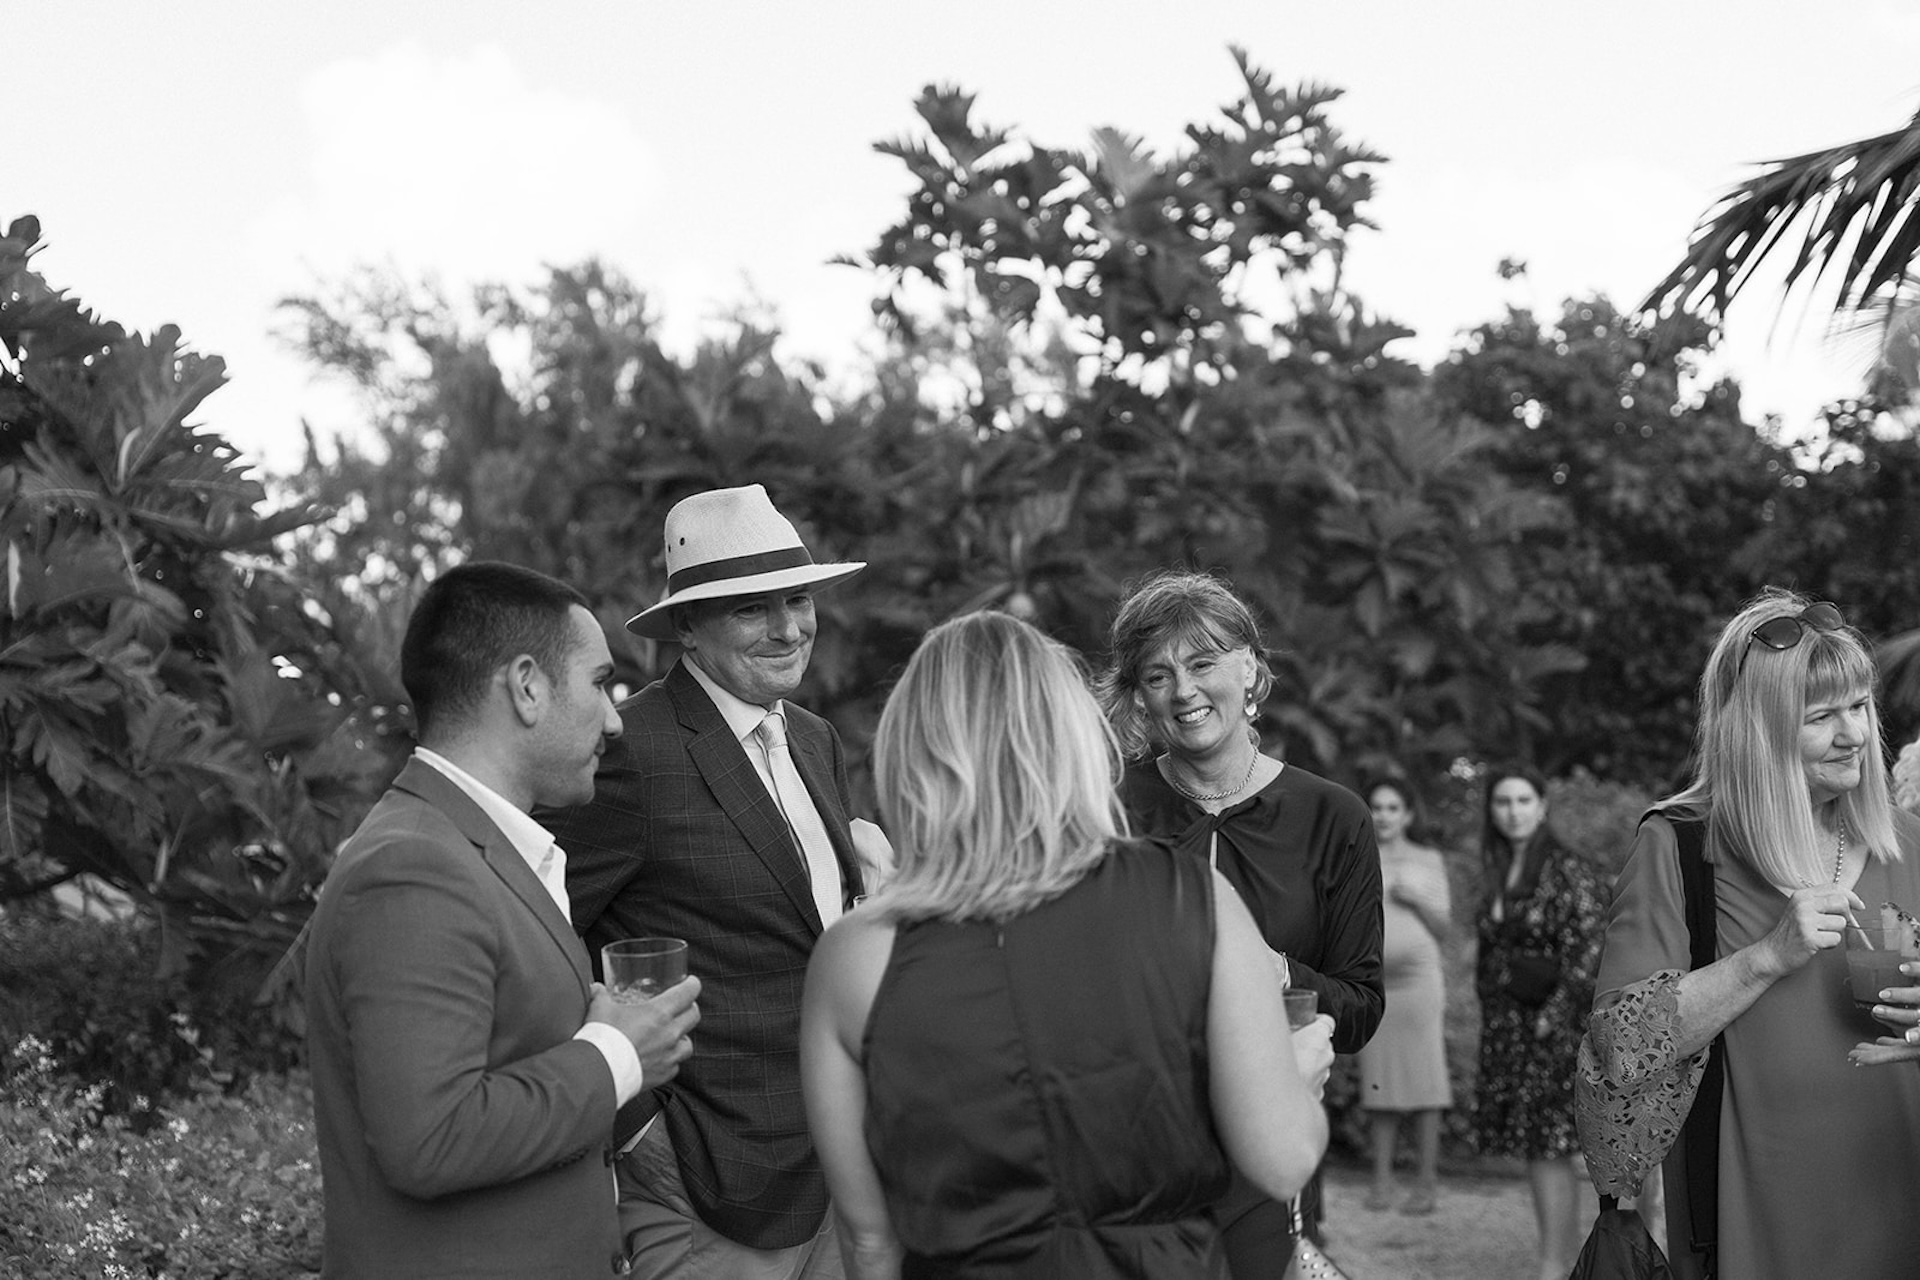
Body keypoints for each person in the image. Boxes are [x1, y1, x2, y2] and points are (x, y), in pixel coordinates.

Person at [800, 610, 1332, 1278]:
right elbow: (1281, 1156)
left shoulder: (853, 958)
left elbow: (870, 1243)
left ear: (914, 751)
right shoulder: (1187, 897)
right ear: (1072, 737)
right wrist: (1298, 1074)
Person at [304, 562, 702, 1280]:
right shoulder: (413, 869)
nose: (616, 718)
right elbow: (428, 1137)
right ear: (526, 687)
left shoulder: (466, 847)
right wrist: (616, 1055)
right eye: (599, 682)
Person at [543, 484, 871, 1280]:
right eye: (753, 609)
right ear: (686, 626)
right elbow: (540, 943)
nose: (790, 627)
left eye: (797, 598)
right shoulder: (633, 750)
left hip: (842, 1175)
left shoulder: (817, 741)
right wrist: (631, 1127)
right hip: (705, 1192)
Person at [1580, 590, 1920, 1280]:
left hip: (1898, 1194)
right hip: (1758, 1219)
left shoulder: (1907, 845)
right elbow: (1621, 1045)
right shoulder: (1681, 847)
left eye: (1858, 707)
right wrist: (1766, 957)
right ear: (1759, 733)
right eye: (1821, 717)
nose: (1853, 735)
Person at [1098, 570, 1382, 1276]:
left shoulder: (1332, 817)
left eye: (1202, 663)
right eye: (1158, 676)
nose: (1185, 691)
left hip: (1268, 1150)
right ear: (1138, 697)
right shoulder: (1105, 815)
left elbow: (1360, 1008)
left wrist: (1269, 966)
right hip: (1129, 1152)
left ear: (1250, 668)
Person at [1471, 763, 1606, 1280]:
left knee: (1551, 1144)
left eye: (1523, 800)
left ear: (1542, 806)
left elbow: (1591, 946)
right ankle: (1556, 1258)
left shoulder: (1567, 868)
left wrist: (1555, 1016)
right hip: (1510, 1026)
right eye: (1503, 802)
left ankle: (1560, 1264)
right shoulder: (1500, 864)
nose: (1513, 811)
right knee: (1534, 1145)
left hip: (1554, 1027)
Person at [1354, 775, 1453, 1216]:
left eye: (1393, 807)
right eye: (1377, 806)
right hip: (1375, 984)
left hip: (1418, 984)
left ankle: (1427, 1186)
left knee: (1426, 1085)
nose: (1384, 815)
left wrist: (1416, 898)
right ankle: (1380, 1185)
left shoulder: (1428, 859)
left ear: (1408, 814)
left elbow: (1444, 928)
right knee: (1379, 1085)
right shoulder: (1357, 854)